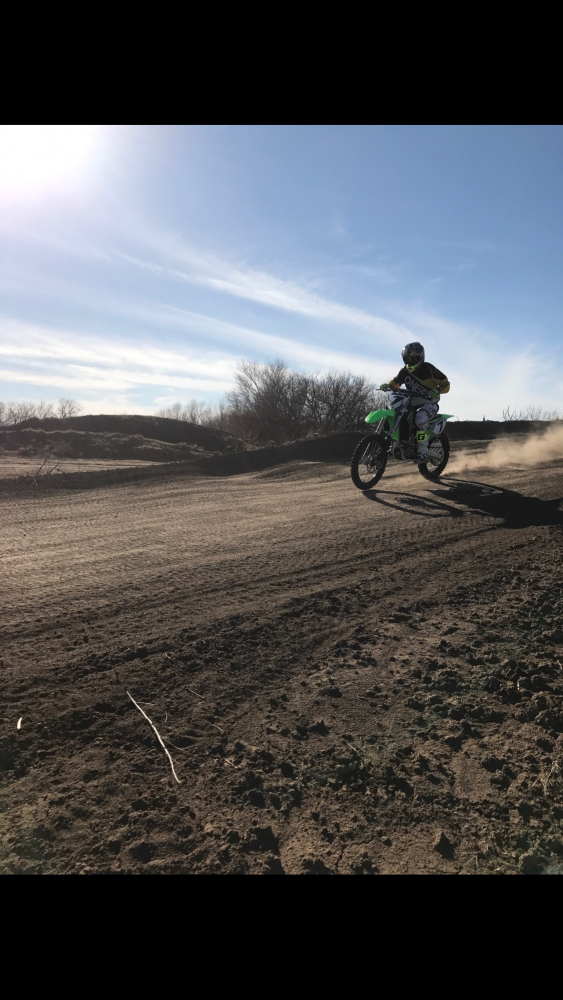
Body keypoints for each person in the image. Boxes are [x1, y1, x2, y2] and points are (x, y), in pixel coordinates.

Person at [380, 343, 451, 463]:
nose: (409, 362)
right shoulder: (404, 371)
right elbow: (395, 382)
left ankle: (422, 451)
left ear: (420, 357)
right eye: (407, 359)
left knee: (420, 418)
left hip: (429, 402)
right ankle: (396, 442)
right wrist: (387, 386)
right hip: (411, 401)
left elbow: (445, 382)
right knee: (396, 412)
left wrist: (437, 390)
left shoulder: (428, 368)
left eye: (412, 359)